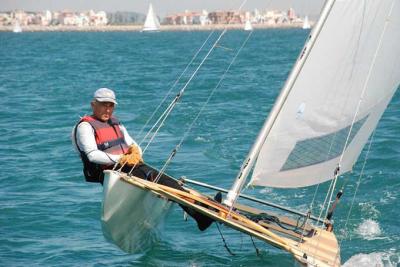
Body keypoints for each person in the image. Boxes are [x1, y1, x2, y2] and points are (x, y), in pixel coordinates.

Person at [72, 88, 215, 230]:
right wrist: (122, 159)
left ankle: (202, 212)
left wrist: (135, 152)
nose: (108, 110)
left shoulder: (116, 123)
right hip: (112, 173)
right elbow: (92, 154)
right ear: (93, 105)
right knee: (164, 183)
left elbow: (133, 145)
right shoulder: (85, 126)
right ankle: (201, 215)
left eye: (111, 106)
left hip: (129, 167)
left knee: (168, 182)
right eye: (103, 105)